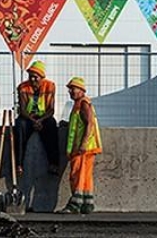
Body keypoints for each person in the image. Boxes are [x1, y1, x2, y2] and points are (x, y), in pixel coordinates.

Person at [60, 77, 102, 215]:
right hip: (88, 147)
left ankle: (75, 204)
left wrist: (83, 144)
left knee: (76, 174)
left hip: (82, 148)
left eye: (73, 88)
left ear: (82, 90)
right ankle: (87, 203)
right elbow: (79, 124)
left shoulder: (83, 104)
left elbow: (89, 123)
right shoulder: (80, 104)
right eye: (70, 89)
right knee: (85, 176)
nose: (70, 91)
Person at [14, 60, 59, 176]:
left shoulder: (50, 86)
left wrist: (41, 120)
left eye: (35, 77)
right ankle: (18, 165)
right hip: (28, 118)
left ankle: (54, 163)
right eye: (30, 76)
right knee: (19, 126)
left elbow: (51, 109)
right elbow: (23, 110)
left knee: (52, 125)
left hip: (44, 117)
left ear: (42, 77)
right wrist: (33, 120)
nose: (32, 79)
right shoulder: (22, 87)